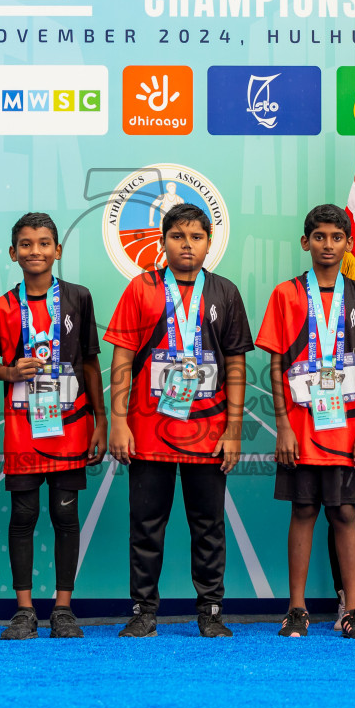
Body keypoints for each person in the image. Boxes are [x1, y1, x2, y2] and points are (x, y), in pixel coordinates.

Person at [106, 203, 253, 638]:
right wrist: (118, 420)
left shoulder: (224, 293)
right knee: (146, 524)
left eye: (196, 237)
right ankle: (143, 610)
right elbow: (122, 358)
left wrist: (233, 430)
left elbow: (236, 366)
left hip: (208, 435)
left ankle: (210, 610)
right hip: (148, 431)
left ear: (209, 243)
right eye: (177, 236)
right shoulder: (140, 289)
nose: (187, 245)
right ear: (163, 241)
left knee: (208, 525)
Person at [256, 205, 355, 640]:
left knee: (346, 512)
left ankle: (353, 609)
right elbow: (276, 364)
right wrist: (283, 426)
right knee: (304, 508)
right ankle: (297, 608)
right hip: (301, 426)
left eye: (337, 237)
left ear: (349, 244)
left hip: (348, 427)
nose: (328, 245)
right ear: (306, 242)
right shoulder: (286, 294)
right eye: (320, 237)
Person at [0, 212, 104, 640]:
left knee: (63, 515)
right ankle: (23, 610)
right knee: (24, 514)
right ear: (13, 252)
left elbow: (90, 362)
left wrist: (100, 419)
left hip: (71, 426)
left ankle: (63, 608)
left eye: (43, 243)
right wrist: (10, 372)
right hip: (23, 429)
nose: (35, 250)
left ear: (58, 249)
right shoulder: (0, 307)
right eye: (26, 244)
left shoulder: (78, 298)